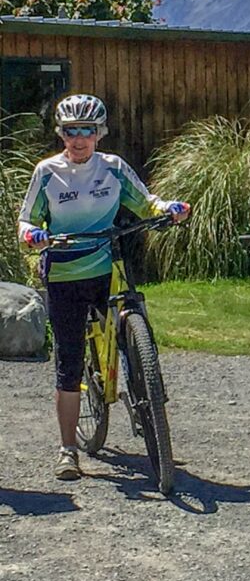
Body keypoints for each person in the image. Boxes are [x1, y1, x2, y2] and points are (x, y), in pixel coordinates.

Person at [18, 94, 190, 481]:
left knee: (133, 313)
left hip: (106, 263)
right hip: (64, 273)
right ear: (61, 133)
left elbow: (147, 203)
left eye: (87, 131)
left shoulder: (112, 168)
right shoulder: (46, 172)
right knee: (69, 362)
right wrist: (34, 236)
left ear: (100, 133)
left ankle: (143, 368)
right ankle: (68, 450)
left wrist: (167, 210)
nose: (79, 139)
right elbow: (26, 221)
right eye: (71, 131)